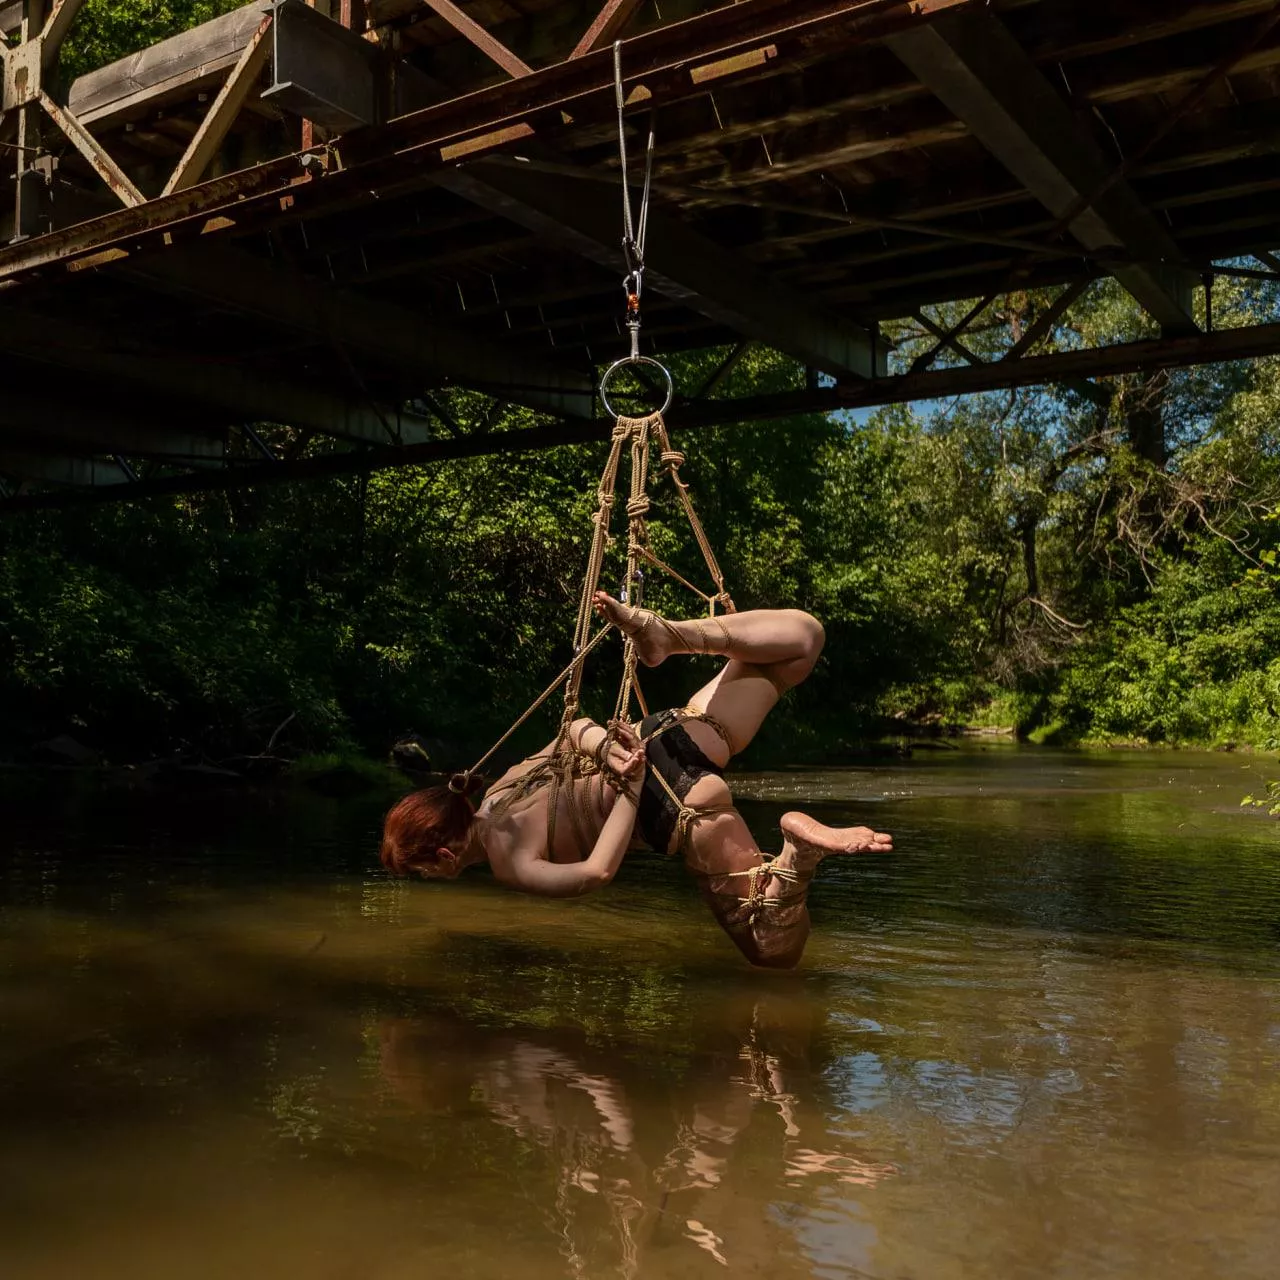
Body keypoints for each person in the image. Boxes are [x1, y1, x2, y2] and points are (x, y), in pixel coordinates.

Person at [380, 592, 893, 968]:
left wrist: (630, 783)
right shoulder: (500, 789)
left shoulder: (506, 860)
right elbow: (574, 728)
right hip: (665, 735)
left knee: (772, 951)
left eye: (422, 872)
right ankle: (671, 635)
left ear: (444, 855)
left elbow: (597, 872)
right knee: (803, 640)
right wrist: (609, 749)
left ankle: (797, 857)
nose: (428, 880)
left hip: (670, 802)